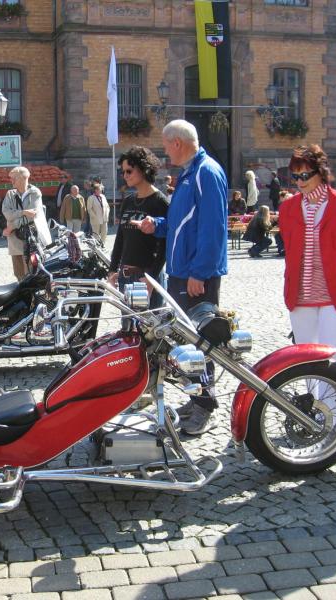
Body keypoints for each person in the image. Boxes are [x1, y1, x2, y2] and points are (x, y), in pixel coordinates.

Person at [137, 120, 228, 435]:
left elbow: (213, 228)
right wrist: (157, 225)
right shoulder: (190, 174)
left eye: (166, 145)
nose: (165, 152)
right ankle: (197, 398)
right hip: (182, 273)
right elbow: (182, 224)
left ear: (177, 142)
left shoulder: (206, 173)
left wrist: (199, 272)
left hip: (195, 276)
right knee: (188, 342)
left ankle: (205, 406)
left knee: (202, 343)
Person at [277, 144, 336, 368]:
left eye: (305, 175)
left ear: (321, 172)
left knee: (334, 360)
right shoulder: (288, 208)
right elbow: (288, 245)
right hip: (300, 295)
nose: (300, 181)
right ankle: (313, 394)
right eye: (295, 176)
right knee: (306, 362)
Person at [107, 146, 168, 303]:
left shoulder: (160, 202)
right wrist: (112, 270)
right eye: (123, 172)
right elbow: (120, 239)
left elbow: (164, 246)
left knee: (150, 319)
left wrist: (151, 278)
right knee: (128, 320)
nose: (125, 175)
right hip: (125, 276)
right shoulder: (128, 201)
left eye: (129, 171)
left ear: (143, 169)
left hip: (147, 276)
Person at [2, 166, 47, 280]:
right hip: (14, 241)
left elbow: (32, 217)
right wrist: (23, 212)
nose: (11, 181)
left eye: (14, 178)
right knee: (19, 274)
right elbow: (7, 214)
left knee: (31, 274)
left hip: (31, 241)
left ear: (23, 178)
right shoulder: (10, 194)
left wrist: (12, 226)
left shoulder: (35, 193)